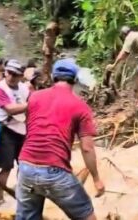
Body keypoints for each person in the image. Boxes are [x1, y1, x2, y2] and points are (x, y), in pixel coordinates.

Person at [16, 58, 105, 220]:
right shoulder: (80, 106)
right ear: (75, 79)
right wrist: (96, 178)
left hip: (25, 166)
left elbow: (30, 129)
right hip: (54, 171)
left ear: (53, 77)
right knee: (87, 216)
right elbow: (87, 148)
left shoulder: (34, 97)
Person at [0, 59, 29, 207]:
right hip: (5, 130)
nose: (12, 77)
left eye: (15, 74)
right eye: (9, 73)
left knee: (25, 165)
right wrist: (32, 103)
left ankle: (22, 192)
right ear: (5, 72)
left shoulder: (24, 88)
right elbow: (10, 109)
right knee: (6, 167)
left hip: (22, 129)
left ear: (20, 76)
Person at [41, 21, 59, 87]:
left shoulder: (48, 33)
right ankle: (46, 81)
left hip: (47, 50)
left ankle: (47, 80)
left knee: (47, 65)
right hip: (47, 50)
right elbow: (49, 43)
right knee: (47, 66)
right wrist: (56, 50)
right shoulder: (50, 34)